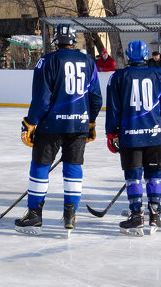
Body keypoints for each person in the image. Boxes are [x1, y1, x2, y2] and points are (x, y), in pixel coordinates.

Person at [13, 23, 103, 233]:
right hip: (78, 125)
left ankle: (34, 214)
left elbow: (41, 99)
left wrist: (31, 123)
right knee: (73, 168)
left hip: (51, 125)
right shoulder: (89, 61)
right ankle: (70, 215)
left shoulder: (47, 60)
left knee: (40, 167)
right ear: (74, 40)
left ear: (56, 41)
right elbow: (96, 98)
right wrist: (90, 122)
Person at [103, 40, 161, 235]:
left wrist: (112, 132)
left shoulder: (118, 76)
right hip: (153, 133)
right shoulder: (160, 75)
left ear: (127, 54)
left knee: (133, 177)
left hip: (130, 135)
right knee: (154, 174)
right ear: (145, 54)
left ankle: (136, 215)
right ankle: (155, 213)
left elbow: (113, 108)